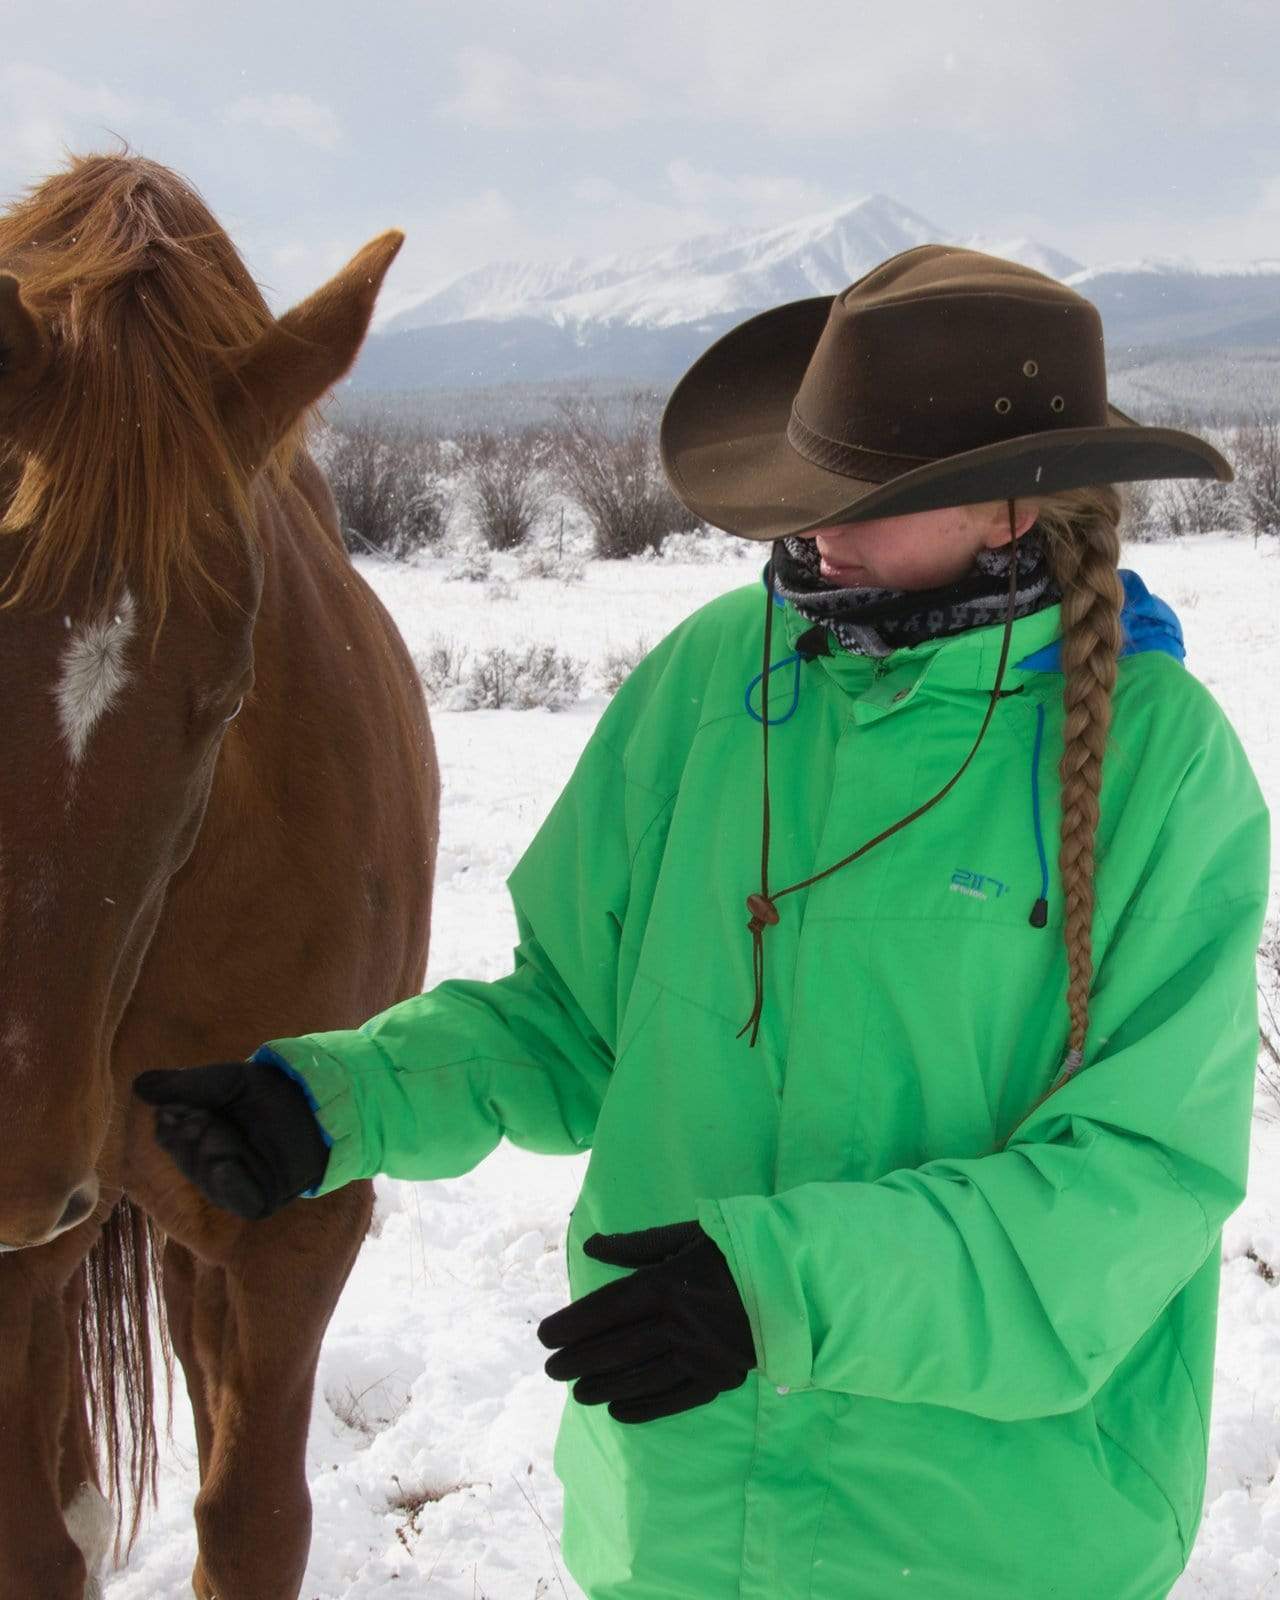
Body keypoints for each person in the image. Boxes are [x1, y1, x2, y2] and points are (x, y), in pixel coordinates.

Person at [134, 245, 1272, 1600]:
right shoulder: (709, 688)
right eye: (812, 480)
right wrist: (332, 1104)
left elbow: (1131, 1185)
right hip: (681, 1523)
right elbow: (575, 1022)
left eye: (871, 493)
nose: (812, 528)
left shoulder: (1163, 766)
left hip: (988, 1540)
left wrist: (779, 1293)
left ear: (1012, 507)